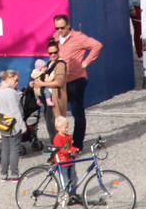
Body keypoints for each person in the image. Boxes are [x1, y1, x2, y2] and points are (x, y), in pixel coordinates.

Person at [52, 13, 101, 146]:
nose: (59, 30)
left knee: (77, 112)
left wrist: (85, 62)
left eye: (62, 27)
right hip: (60, 81)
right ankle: (59, 143)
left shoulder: (78, 37)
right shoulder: (55, 37)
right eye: (57, 28)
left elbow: (97, 45)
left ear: (68, 25)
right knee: (57, 112)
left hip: (76, 79)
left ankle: (77, 144)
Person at [30, 39, 68, 143]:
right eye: (50, 53)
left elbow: (59, 82)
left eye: (55, 52)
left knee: (56, 125)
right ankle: (56, 146)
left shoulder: (60, 64)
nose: (53, 55)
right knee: (50, 125)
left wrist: (42, 84)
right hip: (48, 98)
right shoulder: (50, 63)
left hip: (56, 98)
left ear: (58, 51)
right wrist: (35, 83)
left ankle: (59, 147)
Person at [0, 69, 25, 182]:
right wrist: (22, 125)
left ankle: (3, 174)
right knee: (14, 150)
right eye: (15, 80)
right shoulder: (11, 93)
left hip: (2, 122)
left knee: (5, 149)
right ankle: (15, 174)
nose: (17, 82)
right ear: (8, 78)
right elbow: (15, 111)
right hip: (13, 124)